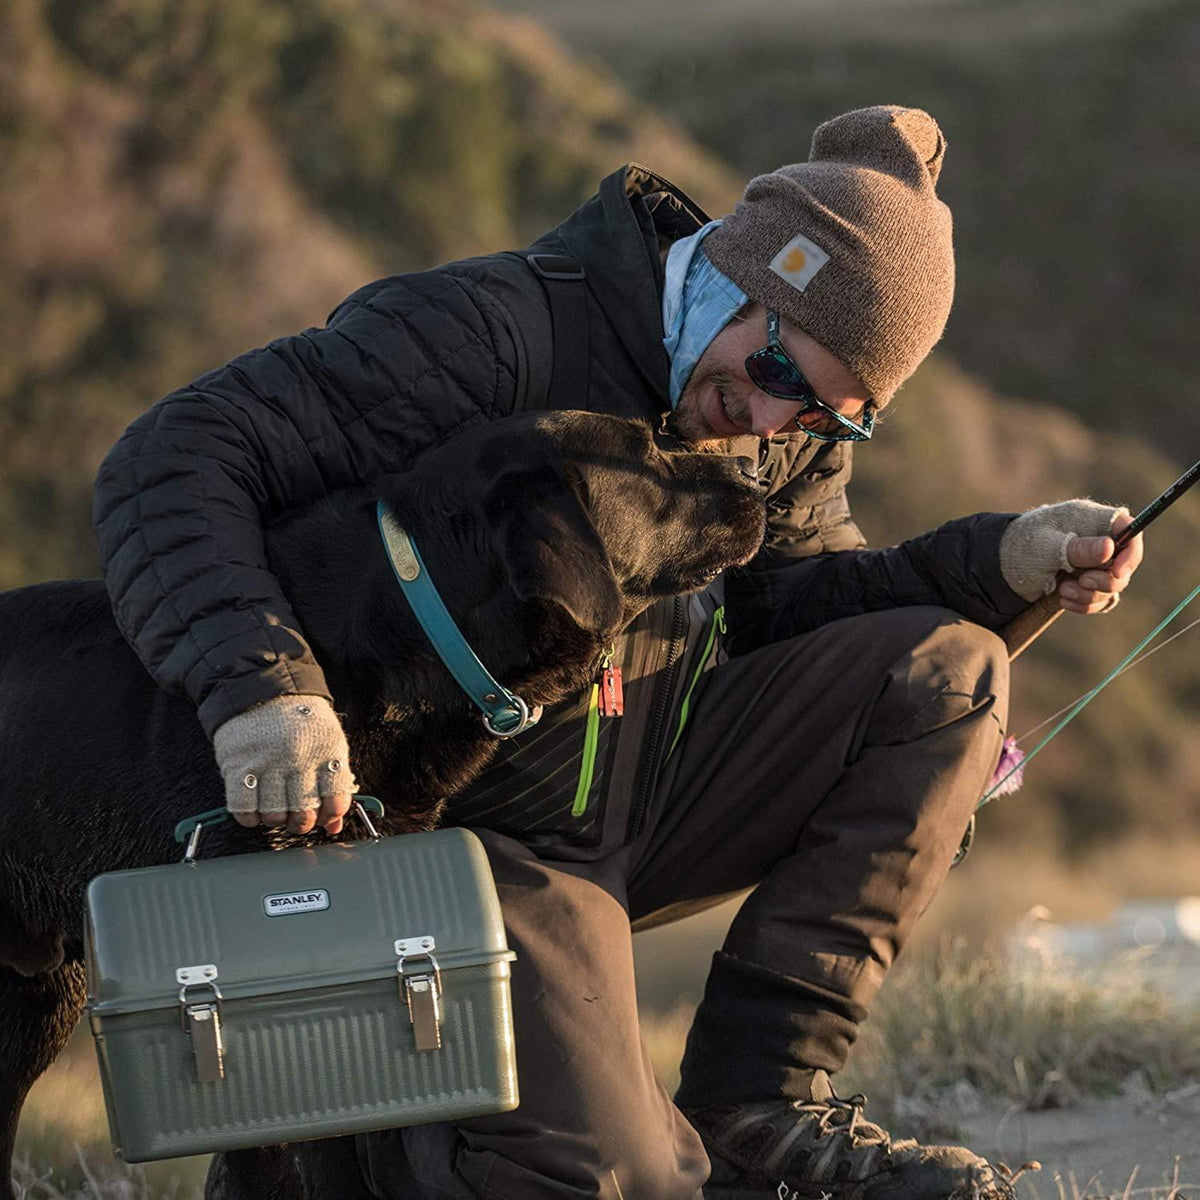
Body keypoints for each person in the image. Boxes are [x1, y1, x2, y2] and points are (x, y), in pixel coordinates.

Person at [94, 106, 1143, 1199]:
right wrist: (261, 687)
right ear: (740, 272)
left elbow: (791, 606)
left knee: (947, 671)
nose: (774, 418)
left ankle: (758, 1107)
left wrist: (1003, 561)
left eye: (829, 416)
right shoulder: (490, 333)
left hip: (636, 799)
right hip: (451, 838)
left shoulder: (780, 429)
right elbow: (172, 458)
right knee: (619, 1178)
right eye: (775, 365)